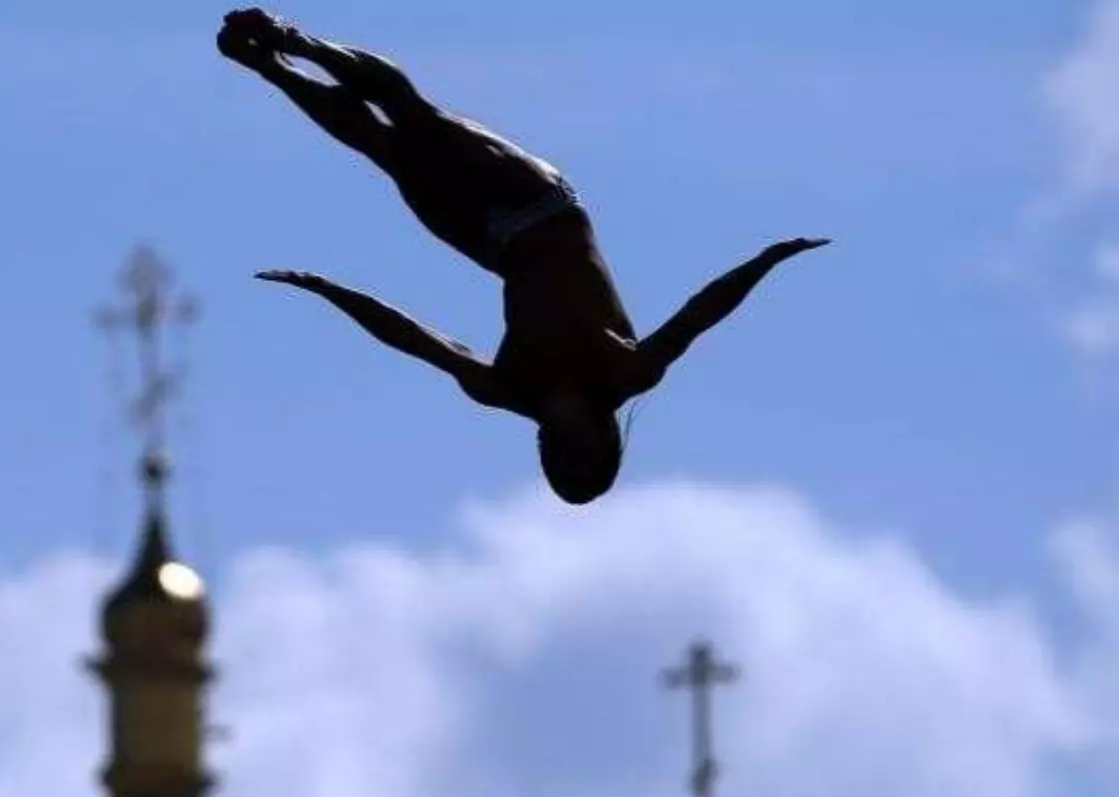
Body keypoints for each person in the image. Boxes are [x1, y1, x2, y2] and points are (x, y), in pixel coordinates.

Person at [217, 7, 829, 505]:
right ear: (602, 433)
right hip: (543, 204)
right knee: (417, 119)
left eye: (553, 441)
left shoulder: (508, 388)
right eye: (576, 438)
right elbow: (702, 313)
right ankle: (292, 39)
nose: (558, 427)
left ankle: (269, 66)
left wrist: (328, 290)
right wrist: (768, 260)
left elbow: (411, 337)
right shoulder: (626, 373)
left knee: (387, 151)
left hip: (492, 242)